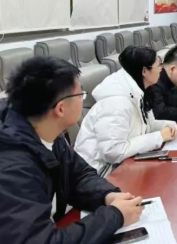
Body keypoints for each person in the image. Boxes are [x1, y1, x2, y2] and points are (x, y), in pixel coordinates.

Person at [0, 56, 144, 244]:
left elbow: (79, 176)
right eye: (80, 94)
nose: (83, 99)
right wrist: (115, 216)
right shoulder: (12, 168)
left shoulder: (47, 131)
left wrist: (108, 195)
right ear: (60, 109)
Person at [75, 47, 177, 176]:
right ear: (144, 71)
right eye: (159, 65)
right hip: (99, 173)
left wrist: (167, 126)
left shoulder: (138, 92)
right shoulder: (116, 103)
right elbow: (113, 151)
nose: (161, 69)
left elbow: (146, 126)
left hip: (121, 165)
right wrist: (159, 136)